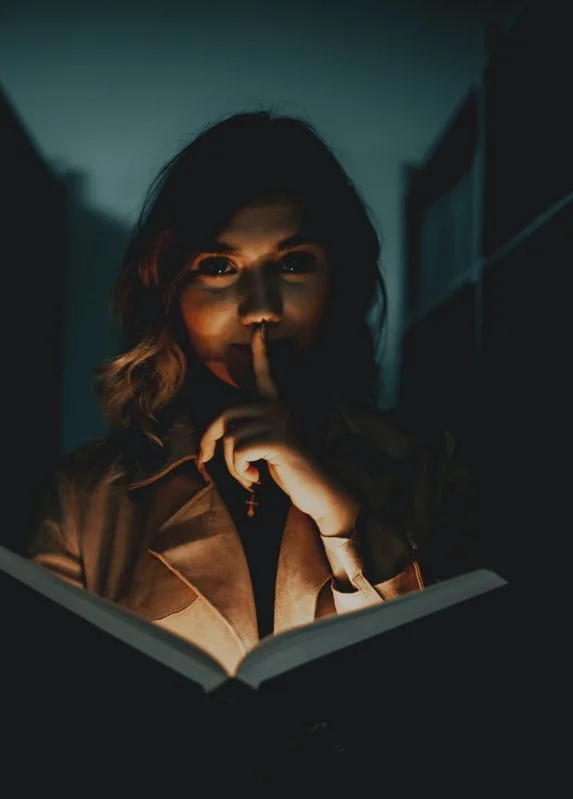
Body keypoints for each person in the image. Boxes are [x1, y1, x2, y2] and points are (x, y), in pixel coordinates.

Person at [28, 110, 481, 676]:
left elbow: (456, 692)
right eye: (218, 266)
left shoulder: (431, 468)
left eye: (293, 263)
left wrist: (343, 521)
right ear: (170, 290)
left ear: (339, 282)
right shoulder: (84, 500)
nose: (261, 306)